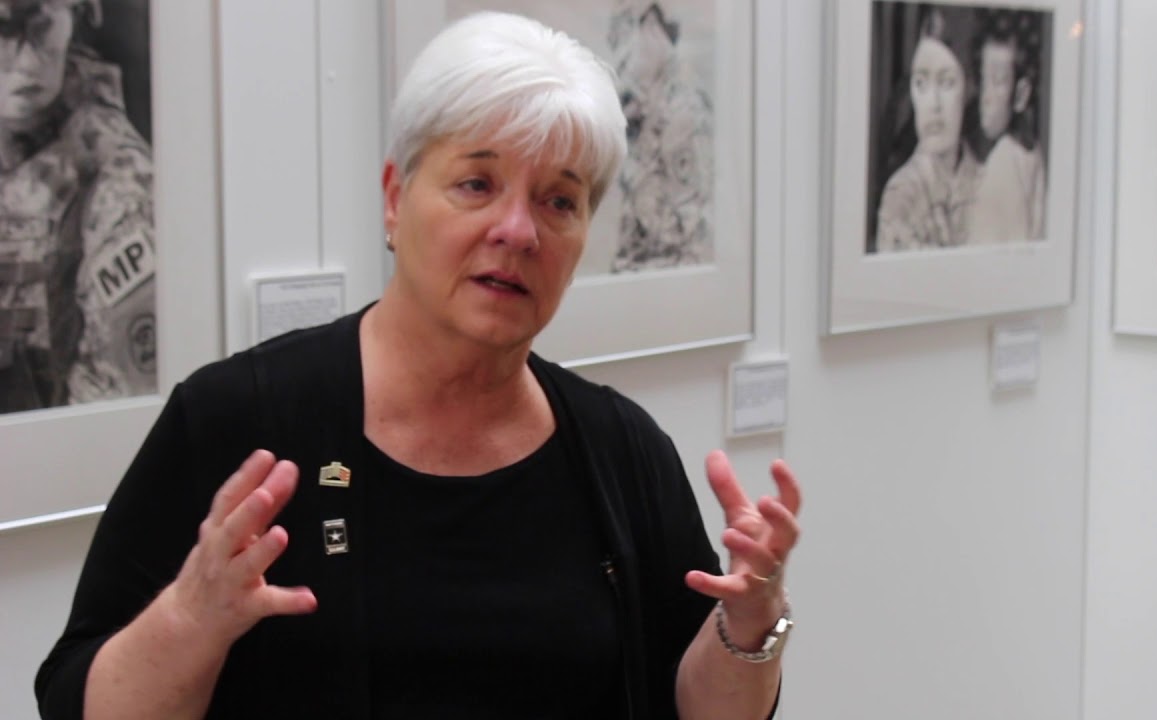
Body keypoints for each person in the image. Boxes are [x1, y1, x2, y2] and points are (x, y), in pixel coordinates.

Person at [35, 11, 801, 719]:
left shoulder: (619, 452)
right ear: (396, 200)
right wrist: (189, 619)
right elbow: (78, 702)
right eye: (476, 183)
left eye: (559, 202)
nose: (518, 230)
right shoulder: (240, 421)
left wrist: (752, 621)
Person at [0, 0, 156, 413]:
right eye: (2, 30)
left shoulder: (116, 182)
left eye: (44, 25)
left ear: (75, 19)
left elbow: (117, 404)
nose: (26, 56)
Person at [876, 6, 981, 252]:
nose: (932, 103)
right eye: (921, 83)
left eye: (947, 82)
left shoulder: (989, 182)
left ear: (969, 90)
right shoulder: (901, 196)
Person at [967, 11, 1046, 244]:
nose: (985, 96)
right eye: (982, 79)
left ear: (1021, 95)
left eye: (998, 81)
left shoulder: (1004, 162)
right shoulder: (1030, 151)